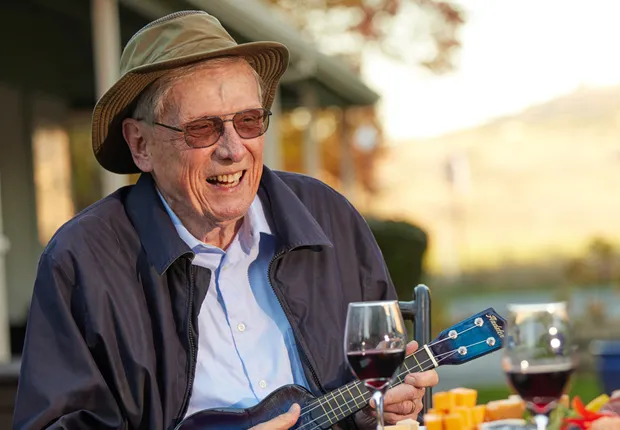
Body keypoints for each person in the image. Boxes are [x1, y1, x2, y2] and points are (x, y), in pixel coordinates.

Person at [13, 10, 438, 430]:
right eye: (202, 129)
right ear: (140, 144)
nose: (234, 149)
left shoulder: (328, 215)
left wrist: (374, 410)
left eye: (249, 121)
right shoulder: (82, 259)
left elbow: (382, 383)